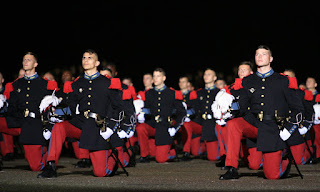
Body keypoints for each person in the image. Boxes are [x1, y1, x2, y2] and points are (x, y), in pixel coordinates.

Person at [219, 45, 304, 180]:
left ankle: (285, 158)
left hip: (274, 128)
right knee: (233, 124)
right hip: (254, 123)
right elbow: (243, 106)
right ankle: (232, 168)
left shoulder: (284, 80)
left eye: (263, 54)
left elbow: (298, 109)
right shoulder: (247, 81)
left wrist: (289, 129)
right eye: (257, 54)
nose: (260, 57)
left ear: (270, 58)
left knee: (272, 176)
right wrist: (229, 111)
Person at [37, 49, 125, 178]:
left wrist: (111, 127)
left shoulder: (108, 83)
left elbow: (118, 109)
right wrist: (57, 112)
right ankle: (50, 165)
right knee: (60, 127)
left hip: (98, 126)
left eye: (89, 58)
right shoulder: (77, 83)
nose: (86, 60)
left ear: (97, 62)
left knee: (100, 173)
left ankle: (113, 160)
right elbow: (71, 109)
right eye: (84, 58)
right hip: (80, 122)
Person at [0, 52, 58, 171]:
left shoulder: (45, 84)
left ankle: (45, 153)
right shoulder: (15, 85)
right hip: (18, 121)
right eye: (24, 60)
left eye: (29, 60)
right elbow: (12, 108)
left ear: (35, 64)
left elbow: (49, 110)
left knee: (36, 167)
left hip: (34, 123)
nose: (25, 62)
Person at [136, 68, 186, 163]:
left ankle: (172, 152)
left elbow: (182, 113)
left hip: (165, 127)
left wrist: (175, 128)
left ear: (164, 78)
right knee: (141, 128)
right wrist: (142, 114)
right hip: (152, 125)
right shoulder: (149, 93)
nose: (155, 78)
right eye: (154, 76)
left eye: (158, 76)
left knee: (160, 159)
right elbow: (147, 109)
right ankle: (144, 155)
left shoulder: (172, 93)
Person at [177, 75, 203, 160]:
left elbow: (195, 109)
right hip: (178, 122)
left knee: (196, 152)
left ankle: (186, 152)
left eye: (183, 82)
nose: (181, 84)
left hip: (193, 122)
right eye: (180, 82)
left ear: (188, 83)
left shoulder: (192, 94)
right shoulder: (176, 95)